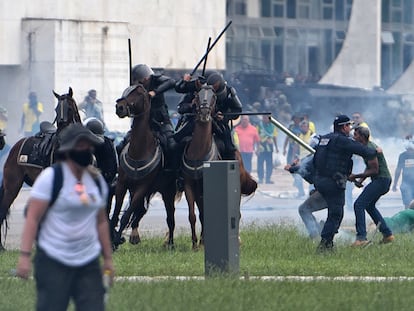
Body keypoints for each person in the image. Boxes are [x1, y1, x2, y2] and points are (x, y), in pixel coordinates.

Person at [16, 123, 114, 310]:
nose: (85, 150)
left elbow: (101, 221)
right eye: (80, 146)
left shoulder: (96, 181)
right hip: (53, 260)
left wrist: (108, 258)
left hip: (88, 262)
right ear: (69, 149)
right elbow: (32, 218)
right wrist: (25, 256)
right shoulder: (50, 178)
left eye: (88, 146)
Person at [313, 115, 378, 252]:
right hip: (333, 182)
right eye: (348, 126)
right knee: (336, 213)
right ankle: (325, 244)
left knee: (333, 211)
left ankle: (325, 238)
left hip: (319, 180)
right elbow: (362, 150)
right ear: (344, 127)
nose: (350, 128)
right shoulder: (342, 140)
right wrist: (375, 151)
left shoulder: (324, 138)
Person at [175, 71, 243, 160]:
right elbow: (180, 108)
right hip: (194, 121)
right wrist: (191, 105)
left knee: (229, 148)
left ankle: (230, 169)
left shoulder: (229, 92)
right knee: (175, 142)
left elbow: (237, 110)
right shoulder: (195, 89)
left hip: (219, 124)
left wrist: (225, 116)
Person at [348, 126, 394, 246]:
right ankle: (387, 234)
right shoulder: (368, 147)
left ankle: (361, 238)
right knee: (369, 206)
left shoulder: (369, 148)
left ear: (362, 137)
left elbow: (374, 170)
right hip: (382, 180)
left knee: (359, 204)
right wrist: (361, 179)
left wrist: (355, 176)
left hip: (381, 180)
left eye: (356, 135)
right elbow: (369, 167)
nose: (354, 137)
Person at [117, 64, 176, 157]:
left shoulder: (156, 79)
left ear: (145, 78)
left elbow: (171, 82)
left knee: (171, 145)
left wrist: (155, 92)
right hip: (141, 121)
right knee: (121, 146)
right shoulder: (135, 88)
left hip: (160, 120)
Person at [392, 139, 414, 209]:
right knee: (407, 204)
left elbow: (398, 170)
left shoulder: (403, 155)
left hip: (406, 183)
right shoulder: (403, 156)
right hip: (406, 184)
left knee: (408, 205)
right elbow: (398, 170)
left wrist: (395, 184)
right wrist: (395, 184)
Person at [256, 115, 278, 184]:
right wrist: (257, 148)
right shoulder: (259, 125)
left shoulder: (273, 126)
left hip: (269, 148)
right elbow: (256, 136)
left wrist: (276, 147)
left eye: (266, 117)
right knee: (260, 164)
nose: (265, 119)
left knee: (269, 164)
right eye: (264, 117)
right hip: (261, 147)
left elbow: (274, 137)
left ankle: (268, 179)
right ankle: (260, 179)